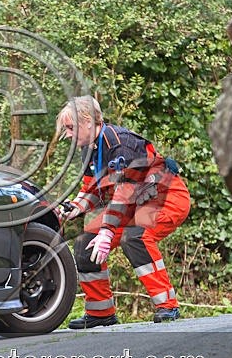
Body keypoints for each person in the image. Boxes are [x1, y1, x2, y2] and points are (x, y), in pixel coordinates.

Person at [56, 95, 191, 328]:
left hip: (166, 198)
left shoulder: (121, 143)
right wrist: (72, 208)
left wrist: (107, 232)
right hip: (133, 205)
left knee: (135, 236)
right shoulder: (89, 148)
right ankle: (101, 313)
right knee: (84, 243)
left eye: (70, 127)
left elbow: (124, 192)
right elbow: (92, 189)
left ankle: (167, 305)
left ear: (88, 121)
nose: (67, 134)